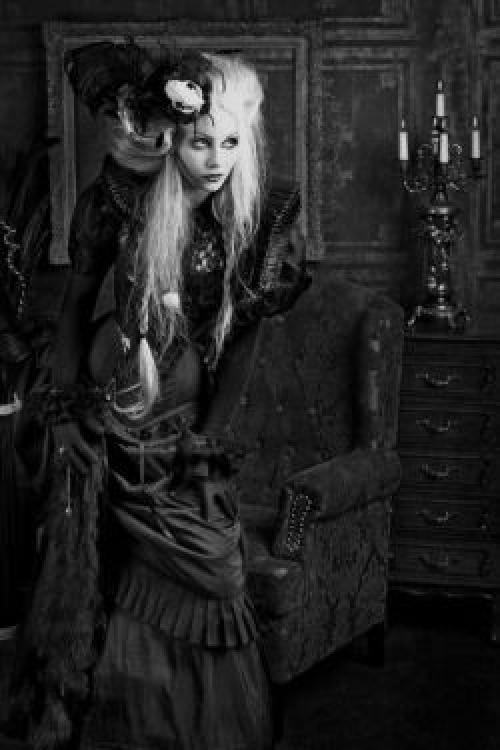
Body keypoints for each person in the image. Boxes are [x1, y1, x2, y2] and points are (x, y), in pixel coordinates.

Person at [6, 40, 311, 750]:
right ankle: (126, 721)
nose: (217, 158)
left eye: (231, 142)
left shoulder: (258, 220)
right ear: (171, 137)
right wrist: (65, 408)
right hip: (107, 400)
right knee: (100, 566)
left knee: (212, 562)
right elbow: (75, 308)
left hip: (182, 416)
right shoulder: (117, 201)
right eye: (202, 141)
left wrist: (208, 440)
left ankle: (191, 725)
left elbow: (243, 343)